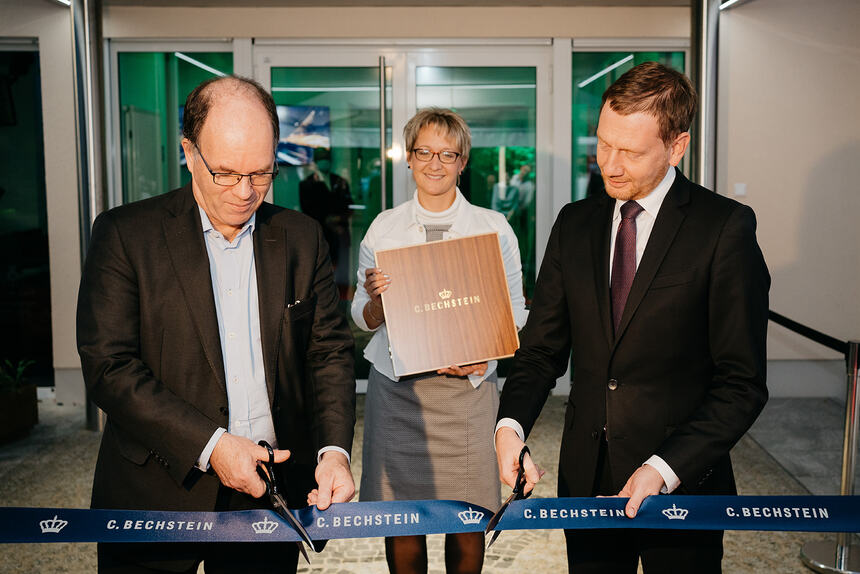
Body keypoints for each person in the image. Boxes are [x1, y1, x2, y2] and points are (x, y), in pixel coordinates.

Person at [495, 61, 770, 573]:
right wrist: (509, 426)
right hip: (588, 479)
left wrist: (664, 468)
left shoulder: (723, 228)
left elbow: (742, 383)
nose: (610, 164)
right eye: (603, 144)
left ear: (677, 146)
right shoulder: (574, 223)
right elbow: (540, 351)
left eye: (631, 151)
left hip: (683, 484)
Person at [77, 75, 357, 574]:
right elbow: (109, 367)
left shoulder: (300, 237)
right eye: (226, 173)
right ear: (189, 152)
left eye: (262, 174)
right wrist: (213, 446)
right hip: (156, 491)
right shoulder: (125, 235)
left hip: (270, 494)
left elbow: (329, 354)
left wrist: (334, 452)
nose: (245, 192)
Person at [352, 107, 528, 574]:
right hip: (397, 395)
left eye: (447, 153)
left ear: (463, 160)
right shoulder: (384, 228)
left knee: (467, 520)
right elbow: (359, 316)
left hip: (467, 398)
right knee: (402, 522)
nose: (435, 163)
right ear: (407, 158)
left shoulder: (493, 228)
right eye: (424, 152)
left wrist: (482, 357)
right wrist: (376, 302)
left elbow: (516, 312)